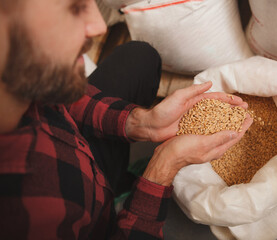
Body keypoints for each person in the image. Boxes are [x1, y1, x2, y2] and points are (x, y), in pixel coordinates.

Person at [0, 0, 252, 239]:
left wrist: (142, 123)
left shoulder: (24, 83)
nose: (99, 25)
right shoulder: (27, 215)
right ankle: (122, 194)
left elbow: (60, 101)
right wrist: (162, 168)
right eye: (74, 8)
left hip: (79, 156)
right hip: (93, 218)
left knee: (138, 57)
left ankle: (119, 181)